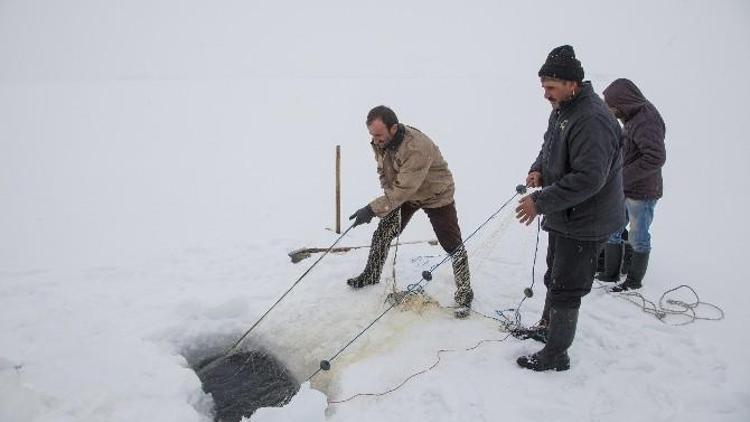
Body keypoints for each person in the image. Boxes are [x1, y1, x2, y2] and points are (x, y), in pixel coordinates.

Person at [514, 45, 625, 371]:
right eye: (543, 87)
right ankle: (548, 328)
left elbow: (590, 179)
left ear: (571, 83)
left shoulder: (592, 119)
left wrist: (539, 201)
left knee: (566, 286)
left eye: (551, 87)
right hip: (566, 213)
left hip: (587, 220)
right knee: (555, 274)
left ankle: (556, 354)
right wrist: (540, 169)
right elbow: (550, 145)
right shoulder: (565, 108)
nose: (546, 94)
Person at [347, 105, 473, 319]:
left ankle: (465, 292)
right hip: (404, 193)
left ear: (393, 128)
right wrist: (387, 202)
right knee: (383, 232)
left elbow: (404, 189)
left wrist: (372, 209)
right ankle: (370, 275)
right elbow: (384, 172)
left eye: (378, 134)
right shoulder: (381, 142)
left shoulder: (417, 148)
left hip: (436, 194)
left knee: (451, 242)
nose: (375, 140)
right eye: (372, 135)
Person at [597, 78, 666, 292]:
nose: (610, 111)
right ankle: (610, 274)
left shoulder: (647, 121)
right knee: (613, 228)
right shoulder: (632, 117)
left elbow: (655, 157)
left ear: (623, 103)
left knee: (638, 236)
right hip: (625, 188)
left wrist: (621, 176)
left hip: (642, 193)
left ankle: (634, 282)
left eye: (612, 107)